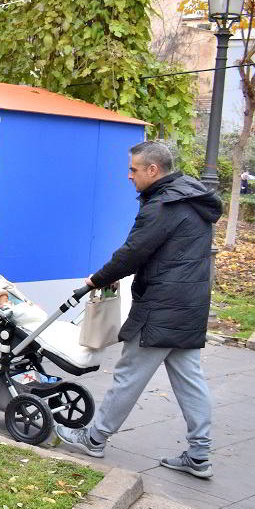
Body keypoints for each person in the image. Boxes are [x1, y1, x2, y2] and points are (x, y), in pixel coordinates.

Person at [56, 141, 222, 478]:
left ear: (153, 170)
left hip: (161, 305)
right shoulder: (191, 197)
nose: (128, 176)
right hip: (190, 303)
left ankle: (95, 437)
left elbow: (134, 252)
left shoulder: (164, 205)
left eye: (133, 169)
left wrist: (95, 280)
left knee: (128, 375)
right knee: (190, 380)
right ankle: (199, 454)